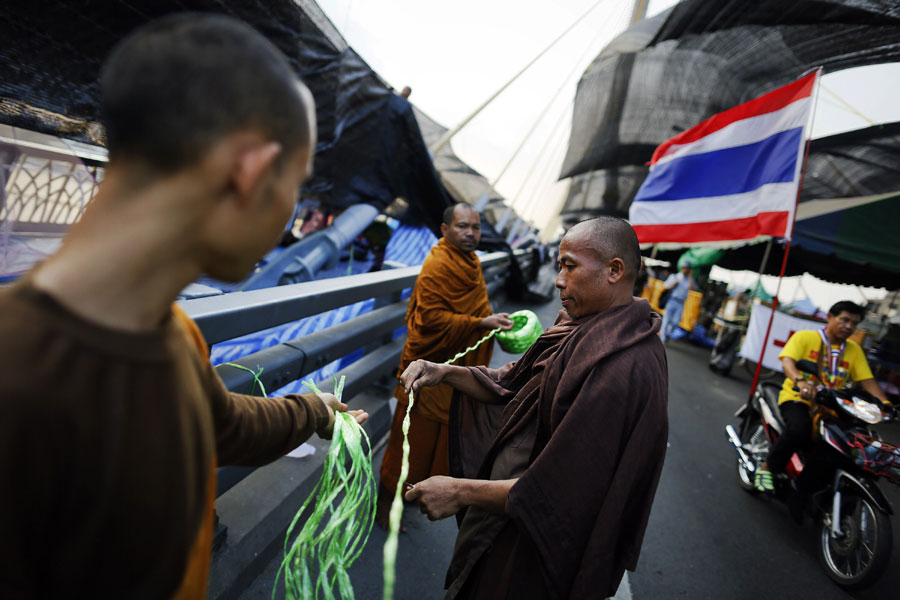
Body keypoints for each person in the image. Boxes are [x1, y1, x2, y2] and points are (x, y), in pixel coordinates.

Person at [0, 15, 368, 599]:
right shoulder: (19, 378)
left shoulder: (167, 332)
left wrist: (315, 411)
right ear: (249, 172)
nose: (292, 213)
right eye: (296, 181)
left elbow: (219, 424)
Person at [402, 217, 669, 599]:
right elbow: (511, 384)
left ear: (614, 270)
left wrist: (460, 490)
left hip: (538, 543)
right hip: (510, 515)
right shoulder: (580, 328)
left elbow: (559, 489)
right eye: (560, 265)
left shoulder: (622, 367)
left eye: (569, 265)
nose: (558, 280)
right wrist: (442, 370)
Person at [375, 203, 513, 529]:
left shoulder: (471, 263)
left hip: (452, 375)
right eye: (462, 226)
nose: (470, 233)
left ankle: (410, 497)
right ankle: (384, 507)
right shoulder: (438, 264)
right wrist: (479, 323)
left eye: (475, 227)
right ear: (445, 229)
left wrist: (487, 323)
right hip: (425, 374)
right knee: (408, 447)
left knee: (435, 448)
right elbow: (429, 322)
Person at [754, 301, 890, 494]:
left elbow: (868, 381)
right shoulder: (805, 337)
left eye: (854, 323)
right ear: (830, 317)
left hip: (834, 406)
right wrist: (800, 381)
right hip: (798, 398)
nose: (849, 326)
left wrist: (885, 404)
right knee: (800, 429)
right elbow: (788, 361)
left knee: (846, 444)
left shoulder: (854, 350)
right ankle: (767, 468)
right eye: (845, 320)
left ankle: (807, 488)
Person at [660, 261, 694, 344]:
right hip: (672, 300)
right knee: (666, 320)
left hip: (681, 303)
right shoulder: (675, 276)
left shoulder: (689, 280)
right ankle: (663, 339)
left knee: (676, 322)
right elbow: (665, 286)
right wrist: (673, 285)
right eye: (685, 268)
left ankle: (667, 334)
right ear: (682, 269)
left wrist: (690, 278)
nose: (686, 270)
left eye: (688, 269)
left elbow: (692, 289)